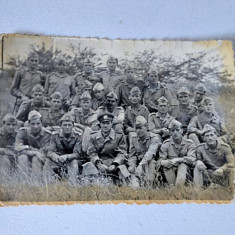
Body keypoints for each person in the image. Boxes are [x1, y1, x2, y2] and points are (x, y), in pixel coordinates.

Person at [86, 112, 129, 185]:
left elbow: (122, 152)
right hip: (100, 163)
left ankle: (125, 186)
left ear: (112, 123)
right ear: (100, 124)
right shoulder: (93, 137)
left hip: (114, 163)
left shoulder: (119, 136)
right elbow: (91, 153)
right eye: (103, 123)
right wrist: (99, 164)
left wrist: (115, 164)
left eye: (108, 123)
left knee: (123, 170)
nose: (105, 125)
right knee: (88, 167)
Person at [44, 113, 84, 184]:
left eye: (69, 125)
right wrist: (55, 157)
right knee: (48, 161)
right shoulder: (55, 135)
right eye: (65, 125)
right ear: (61, 126)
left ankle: (72, 183)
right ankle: (46, 183)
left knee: (74, 161)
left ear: (73, 126)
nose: (67, 127)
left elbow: (77, 154)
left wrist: (66, 157)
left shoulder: (78, 136)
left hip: (71, 161)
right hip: (58, 161)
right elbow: (50, 151)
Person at [15, 111, 51, 182]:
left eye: (38, 123)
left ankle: (36, 183)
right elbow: (17, 147)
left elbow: (45, 151)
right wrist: (33, 152)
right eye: (33, 124)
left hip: (41, 159)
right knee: (22, 157)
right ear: (28, 124)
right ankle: (22, 182)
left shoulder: (47, 134)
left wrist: (30, 150)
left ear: (42, 123)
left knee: (36, 159)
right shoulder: (23, 132)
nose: (35, 126)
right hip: (26, 156)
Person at [159, 120, 196, 186]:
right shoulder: (166, 144)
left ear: (182, 130)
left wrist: (179, 160)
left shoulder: (189, 143)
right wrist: (163, 162)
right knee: (166, 166)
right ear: (169, 132)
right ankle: (173, 187)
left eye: (177, 130)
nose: (175, 133)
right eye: (172, 131)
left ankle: (178, 187)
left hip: (187, 173)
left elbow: (192, 159)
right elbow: (160, 160)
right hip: (171, 171)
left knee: (182, 165)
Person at [128, 116, 161, 187]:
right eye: (136, 128)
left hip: (151, 162)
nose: (138, 131)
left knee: (149, 179)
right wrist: (132, 165)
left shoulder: (154, 138)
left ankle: (149, 184)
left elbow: (150, 154)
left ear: (147, 127)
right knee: (132, 181)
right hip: (139, 162)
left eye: (140, 128)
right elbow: (132, 155)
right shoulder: (134, 138)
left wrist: (140, 165)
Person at [0, 114, 18, 178]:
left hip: (13, 157)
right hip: (2, 157)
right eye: (8, 124)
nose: (11, 127)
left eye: (13, 125)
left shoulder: (17, 134)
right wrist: (4, 150)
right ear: (3, 124)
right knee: (4, 159)